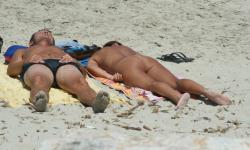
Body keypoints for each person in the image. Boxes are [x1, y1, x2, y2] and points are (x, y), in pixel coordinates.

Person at [86, 41, 231, 108]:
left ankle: (177, 97)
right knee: (176, 82)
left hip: (127, 66)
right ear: (116, 45)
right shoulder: (124, 47)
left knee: (152, 85)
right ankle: (207, 92)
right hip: (145, 59)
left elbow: (90, 66)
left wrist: (111, 77)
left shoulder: (100, 53)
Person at [7, 29, 110, 112]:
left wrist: (75, 61)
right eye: (41, 31)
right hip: (38, 64)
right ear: (31, 42)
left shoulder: (61, 50)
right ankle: (40, 102)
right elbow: (11, 70)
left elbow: (83, 73)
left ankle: (95, 102)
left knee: (79, 82)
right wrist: (27, 60)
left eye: (49, 33)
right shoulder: (23, 51)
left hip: (63, 64)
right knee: (39, 79)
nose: (46, 32)